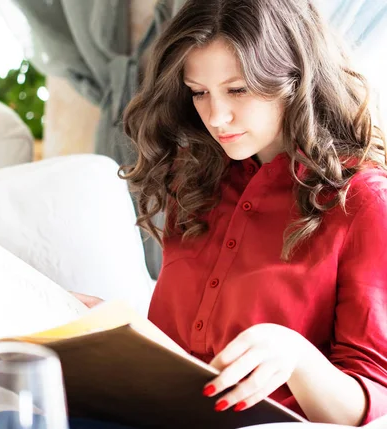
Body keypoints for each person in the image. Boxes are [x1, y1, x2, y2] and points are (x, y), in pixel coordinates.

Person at [74, 0, 387, 426]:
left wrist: (295, 356)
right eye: (199, 92)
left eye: (237, 89)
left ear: (295, 78)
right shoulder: (196, 176)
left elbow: (370, 406)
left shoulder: (364, 202)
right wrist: (119, 328)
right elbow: (183, 356)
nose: (216, 117)